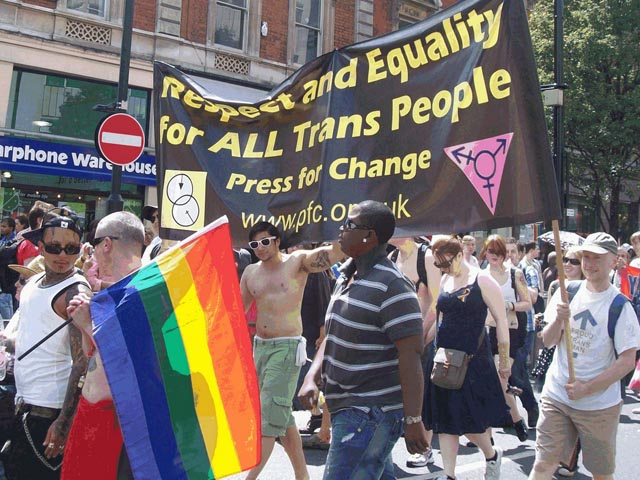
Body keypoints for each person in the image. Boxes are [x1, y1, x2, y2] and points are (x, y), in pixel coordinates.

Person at [298, 200, 429, 479]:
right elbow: (333, 335)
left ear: (369, 236)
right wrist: (312, 377)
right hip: (349, 407)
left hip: (369, 414)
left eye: (349, 225)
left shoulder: (394, 286)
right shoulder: (346, 274)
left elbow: (410, 356)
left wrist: (413, 419)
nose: (341, 230)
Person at [529, 232, 640, 480]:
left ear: (614, 261)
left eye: (597, 257)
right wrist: (559, 319)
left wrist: (586, 388)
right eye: (585, 257)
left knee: (600, 473)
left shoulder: (620, 306)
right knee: (543, 464)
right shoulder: (566, 292)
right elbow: (548, 340)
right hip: (557, 395)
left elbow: (627, 361)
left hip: (598, 405)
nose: (589, 263)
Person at [240, 221, 344, 480]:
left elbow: (336, 253)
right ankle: (302, 476)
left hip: (286, 348)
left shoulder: (297, 262)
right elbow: (236, 312)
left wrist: (336, 224)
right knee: (282, 415)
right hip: (260, 348)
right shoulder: (251, 272)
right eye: (255, 244)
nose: (260, 247)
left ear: (277, 241)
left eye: (265, 241)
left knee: (268, 420)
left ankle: (250, 478)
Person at [2, 208, 90, 480]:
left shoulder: (75, 291)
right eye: (54, 247)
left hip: (49, 414)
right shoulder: (34, 282)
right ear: (40, 247)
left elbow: (83, 360)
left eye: (71, 248)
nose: (63, 255)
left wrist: (64, 421)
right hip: (23, 405)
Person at [61, 211, 144, 480]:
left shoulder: (142, 291)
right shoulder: (116, 290)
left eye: (95, 244)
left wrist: (86, 324)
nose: (93, 252)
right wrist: (84, 321)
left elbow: (128, 358)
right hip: (95, 416)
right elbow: (93, 353)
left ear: (106, 243)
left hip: (117, 423)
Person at [423, 235, 511, 480]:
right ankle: (449, 475)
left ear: (460, 255)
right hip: (444, 359)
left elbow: (501, 321)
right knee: (444, 419)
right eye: (438, 264)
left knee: (471, 419)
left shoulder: (482, 280)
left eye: (445, 263)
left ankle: (491, 454)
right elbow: (440, 318)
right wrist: (423, 342)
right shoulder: (445, 279)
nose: (442, 268)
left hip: (473, 360)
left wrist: (504, 362)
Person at [387, 235, 443, 468]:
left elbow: (438, 301)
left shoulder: (426, 256)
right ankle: (385, 452)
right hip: (395, 339)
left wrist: (422, 335)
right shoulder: (392, 257)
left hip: (422, 338)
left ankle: (425, 448)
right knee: (395, 395)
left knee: (420, 394)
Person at [482, 234, 532, 442]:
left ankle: (515, 419)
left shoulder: (515, 273)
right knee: (488, 381)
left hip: (510, 332)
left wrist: (509, 306)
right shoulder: (480, 275)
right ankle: (490, 433)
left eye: (497, 251)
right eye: (490, 251)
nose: (494, 255)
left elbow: (527, 302)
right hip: (487, 331)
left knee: (499, 377)